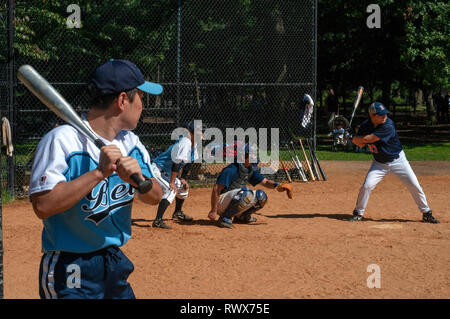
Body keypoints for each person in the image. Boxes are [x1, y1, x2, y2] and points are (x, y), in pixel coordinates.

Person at [29, 59, 163, 299]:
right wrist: (98, 173)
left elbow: (155, 196)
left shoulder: (131, 143)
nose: (143, 105)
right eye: (140, 97)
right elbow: (43, 206)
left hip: (113, 261)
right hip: (70, 265)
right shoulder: (62, 140)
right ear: (122, 101)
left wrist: (138, 181)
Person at [350, 102, 439, 223]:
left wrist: (352, 138)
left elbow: (369, 139)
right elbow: (360, 144)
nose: (384, 116)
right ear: (372, 115)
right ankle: (358, 213)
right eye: (381, 115)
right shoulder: (366, 125)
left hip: (398, 161)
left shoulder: (388, 125)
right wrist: (351, 137)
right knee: (367, 186)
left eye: (385, 113)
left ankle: (426, 212)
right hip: (379, 163)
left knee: (414, 185)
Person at [207, 144, 292, 229]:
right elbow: (216, 189)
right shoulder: (232, 169)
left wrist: (277, 185)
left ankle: (242, 217)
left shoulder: (250, 169)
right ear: (243, 155)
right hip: (221, 203)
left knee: (261, 196)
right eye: (252, 154)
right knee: (246, 193)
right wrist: (213, 210)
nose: (255, 156)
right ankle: (225, 218)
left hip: (235, 198)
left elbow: (265, 182)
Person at [150, 120, 200, 229]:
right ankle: (158, 221)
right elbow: (177, 162)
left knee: (183, 188)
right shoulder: (185, 142)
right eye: (198, 131)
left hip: (166, 172)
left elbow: (188, 163)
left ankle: (177, 213)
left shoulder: (194, 144)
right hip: (157, 170)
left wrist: (183, 178)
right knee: (171, 190)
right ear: (190, 133)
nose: (201, 134)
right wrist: (172, 182)